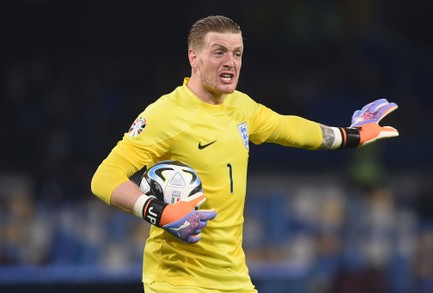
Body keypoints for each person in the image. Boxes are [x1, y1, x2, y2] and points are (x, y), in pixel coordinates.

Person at [91, 15, 398, 293]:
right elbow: (104, 177)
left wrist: (350, 135)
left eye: (237, 53)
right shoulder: (165, 115)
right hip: (178, 280)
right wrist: (159, 211)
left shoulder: (241, 106)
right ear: (193, 57)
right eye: (219, 52)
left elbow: (289, 128)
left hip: (233, 278)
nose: (231, 62)